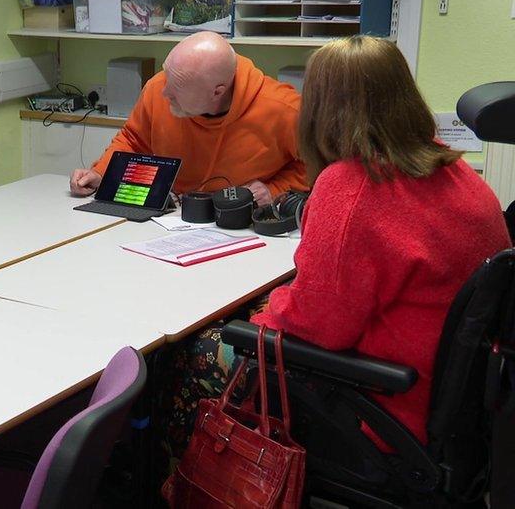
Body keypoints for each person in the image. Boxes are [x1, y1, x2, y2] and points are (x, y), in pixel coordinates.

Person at [158, 36, 511, 475]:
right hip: (458, 405)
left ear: (322, 109)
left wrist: (259, 319)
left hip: (383, 407)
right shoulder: (454, 170)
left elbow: (317, 328)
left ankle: (195, 484)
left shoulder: (353, 186)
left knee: (194, 350)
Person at [70, 31, 307, 207]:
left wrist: (275, 189)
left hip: (241, 222)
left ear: (217, 91)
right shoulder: (158, 88)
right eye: (167, 78)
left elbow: (322, 167)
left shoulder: (285, 109)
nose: (165, 93)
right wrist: (101, 172)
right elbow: (133, 140)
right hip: (170, 216)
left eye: (178, 89)